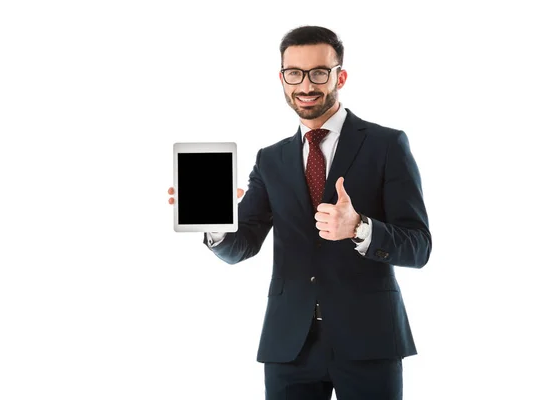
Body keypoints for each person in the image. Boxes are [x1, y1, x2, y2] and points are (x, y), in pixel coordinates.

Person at [167, 25, 432, 400]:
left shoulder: (387, 145)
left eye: (318, 72)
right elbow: (242, 245)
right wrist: (215, 223)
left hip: (370, 339)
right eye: (294, 73)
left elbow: (419, 247)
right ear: (282, 78)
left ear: (340, 75)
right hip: (288, 344)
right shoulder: (271, 159)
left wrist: (359, 227)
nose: (305, 85)